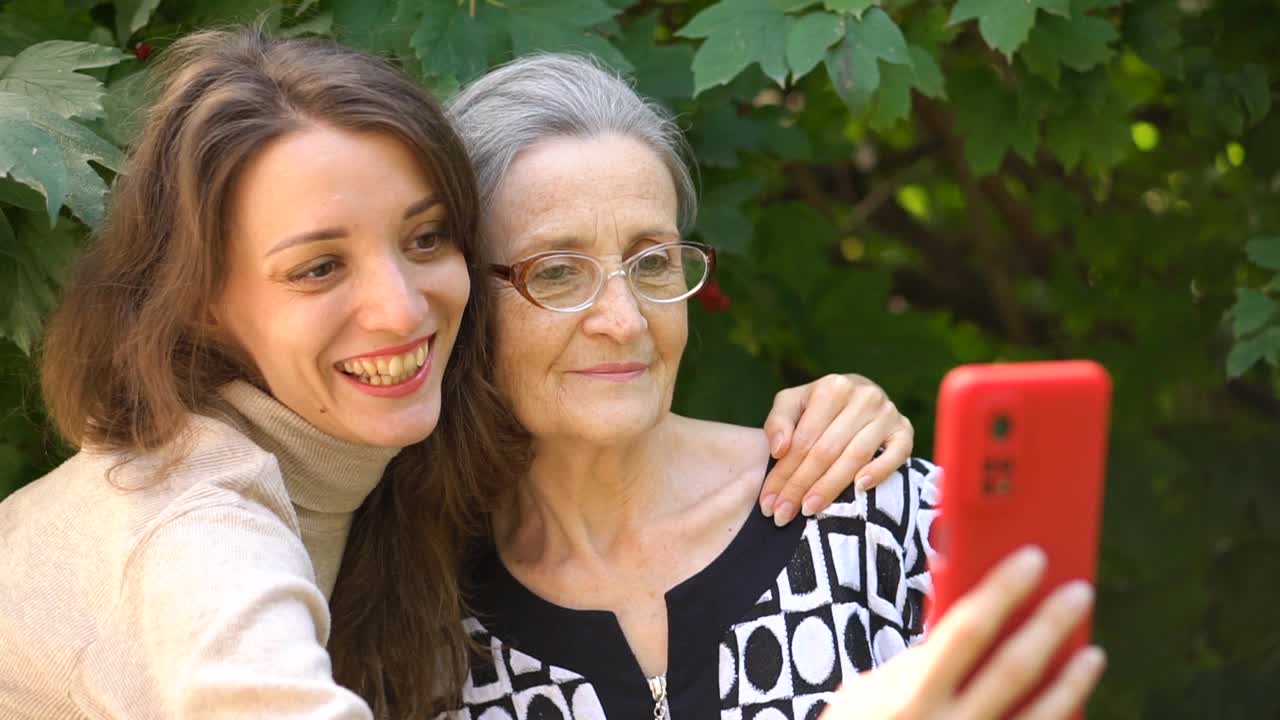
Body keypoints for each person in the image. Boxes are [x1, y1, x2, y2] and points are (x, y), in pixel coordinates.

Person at [0, 30, 915, 720]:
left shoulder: (383, 510)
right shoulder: (200, 530)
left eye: (423, 239)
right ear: (199, 300)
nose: (401, 309)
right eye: (555, 272)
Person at [439, 53, 1106, 719]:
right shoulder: (423, 612)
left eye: (653, 262)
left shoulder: (873, 516)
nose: (625, 319)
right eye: (558, 272)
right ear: (460, 294)